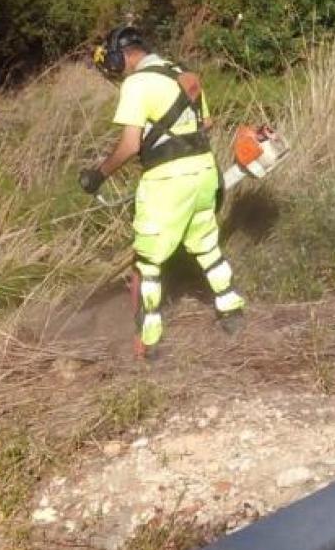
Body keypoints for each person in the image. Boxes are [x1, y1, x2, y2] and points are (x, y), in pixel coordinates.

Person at [81, 26, 244, 355]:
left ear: (123, 55)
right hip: (204, 171)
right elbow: (206, 123)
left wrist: (98, 175)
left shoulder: (137, 83)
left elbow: (129, 145)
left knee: (148, 261)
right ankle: (232, 312)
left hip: (167, 180)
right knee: (206, 245)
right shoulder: (182, 73)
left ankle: (149, 341)